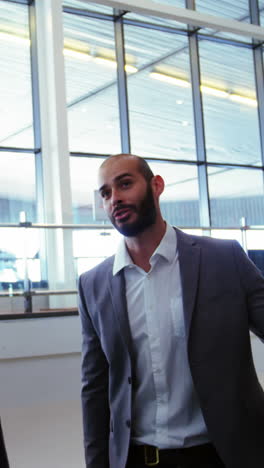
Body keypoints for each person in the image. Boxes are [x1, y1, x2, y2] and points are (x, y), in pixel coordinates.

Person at [78, 153, 264, 468]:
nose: (115, 199)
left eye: (125, 184)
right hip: (139, 458)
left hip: (224, 455)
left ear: (157, 186)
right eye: (106, 193)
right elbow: (94, 389)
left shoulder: (224, 258)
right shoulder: (93, 284)